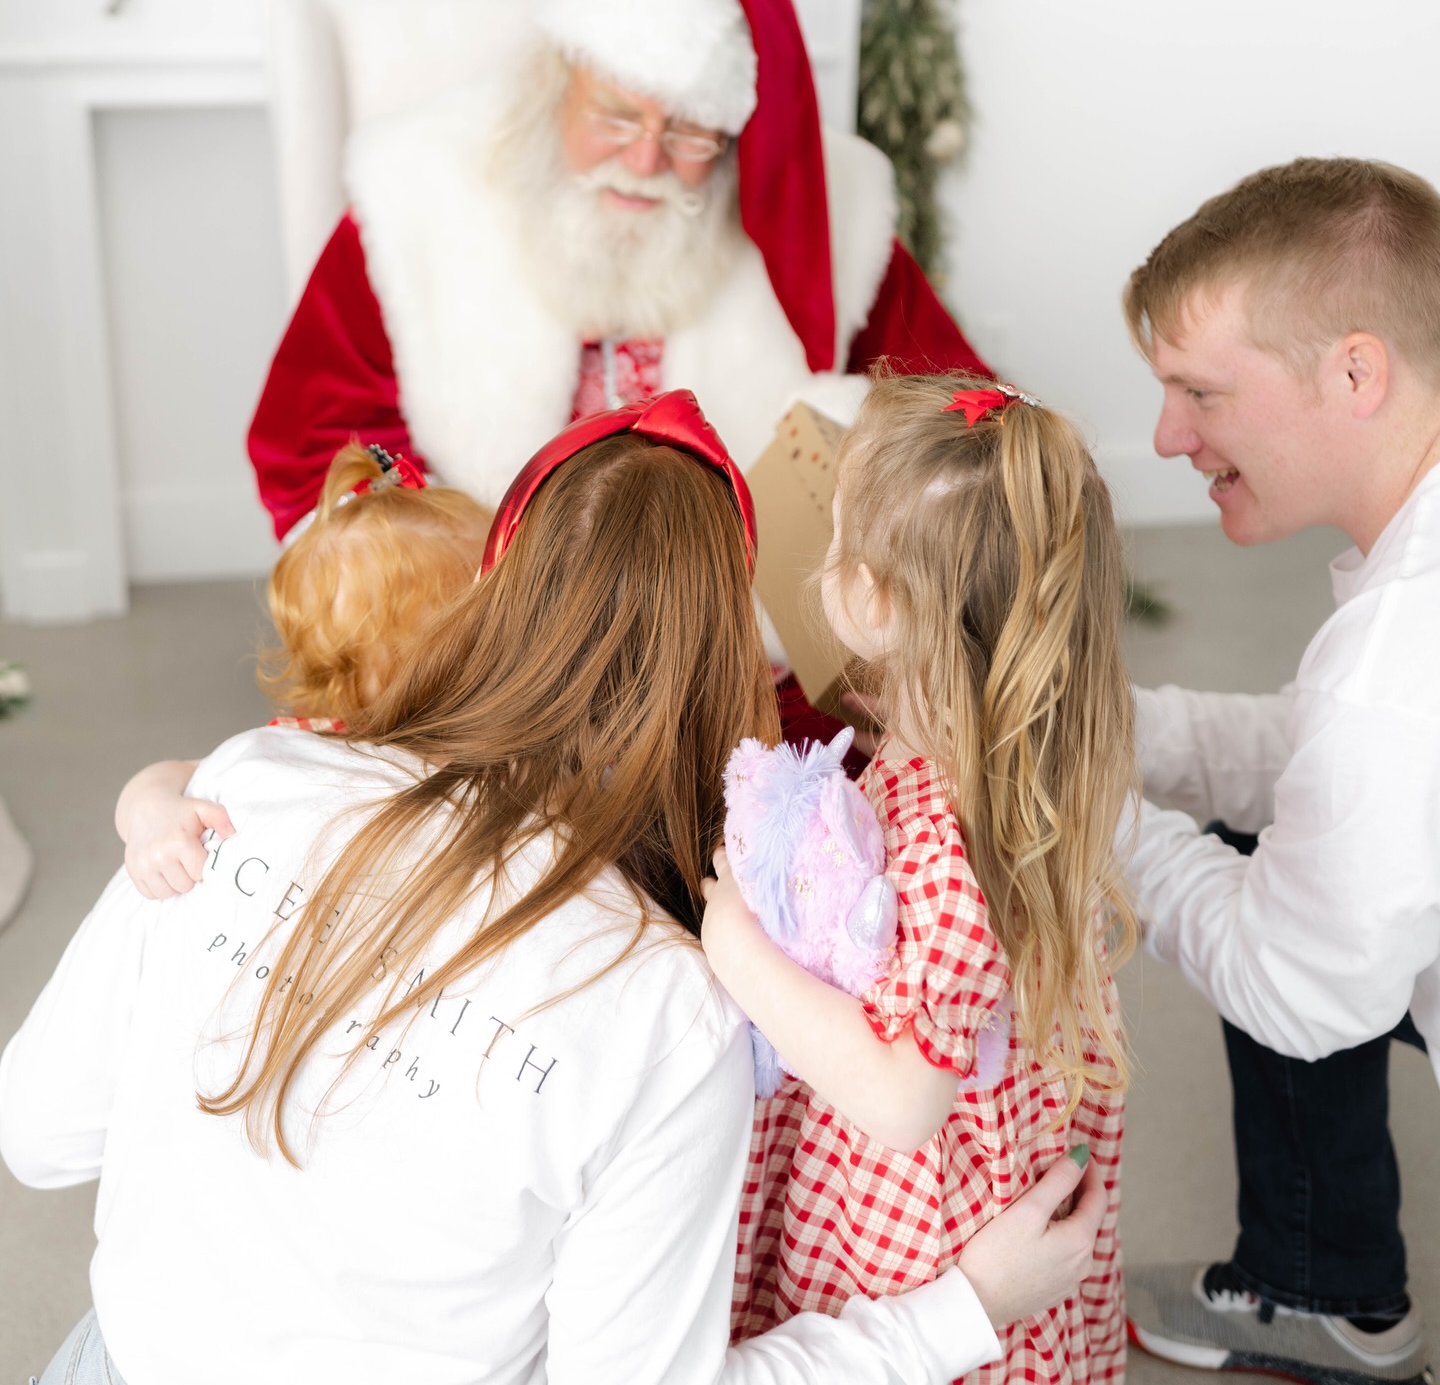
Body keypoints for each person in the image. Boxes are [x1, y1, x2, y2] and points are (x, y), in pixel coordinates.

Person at [1, 392, 1104, 1385]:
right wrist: (963, 1308)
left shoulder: (244, 787)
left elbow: (36, 1133)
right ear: (729, 677)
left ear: (489, 586)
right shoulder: (675, 1006)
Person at [246, 0, 986, 754]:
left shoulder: (829, 220)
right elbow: (313, 432)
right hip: (490, 651)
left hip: (740, 668)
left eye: (688, 133)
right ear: (555, 84)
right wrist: (431, 583)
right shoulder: (418, 196)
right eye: (618, 118)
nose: (645, 162)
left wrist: (850, 495)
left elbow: (956, 411)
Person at [701, 372, 1136, 1385]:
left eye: (839, 534)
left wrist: (737, 946)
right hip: (993, 1152)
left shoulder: (941, 840)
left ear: (872, 599)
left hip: (920, 1213)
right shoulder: (1006, 754)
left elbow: (900, 1103)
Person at [1118, 158, 1440, 1385]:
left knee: (1269, 915)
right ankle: (1327, 1284)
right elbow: (1334, 762)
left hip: (1329, 969)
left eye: (1201, 392)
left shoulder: (1392, 669)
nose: (1166, 436)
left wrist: (1096, 820)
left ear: (1356, 373)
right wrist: (1117, 731)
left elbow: (1300, 989)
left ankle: (1322, 1301)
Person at [114, 439, 493, 899]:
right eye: (479, 621)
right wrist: (151, 814)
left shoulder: (503, 730)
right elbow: (170, 775)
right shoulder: (308, 741)